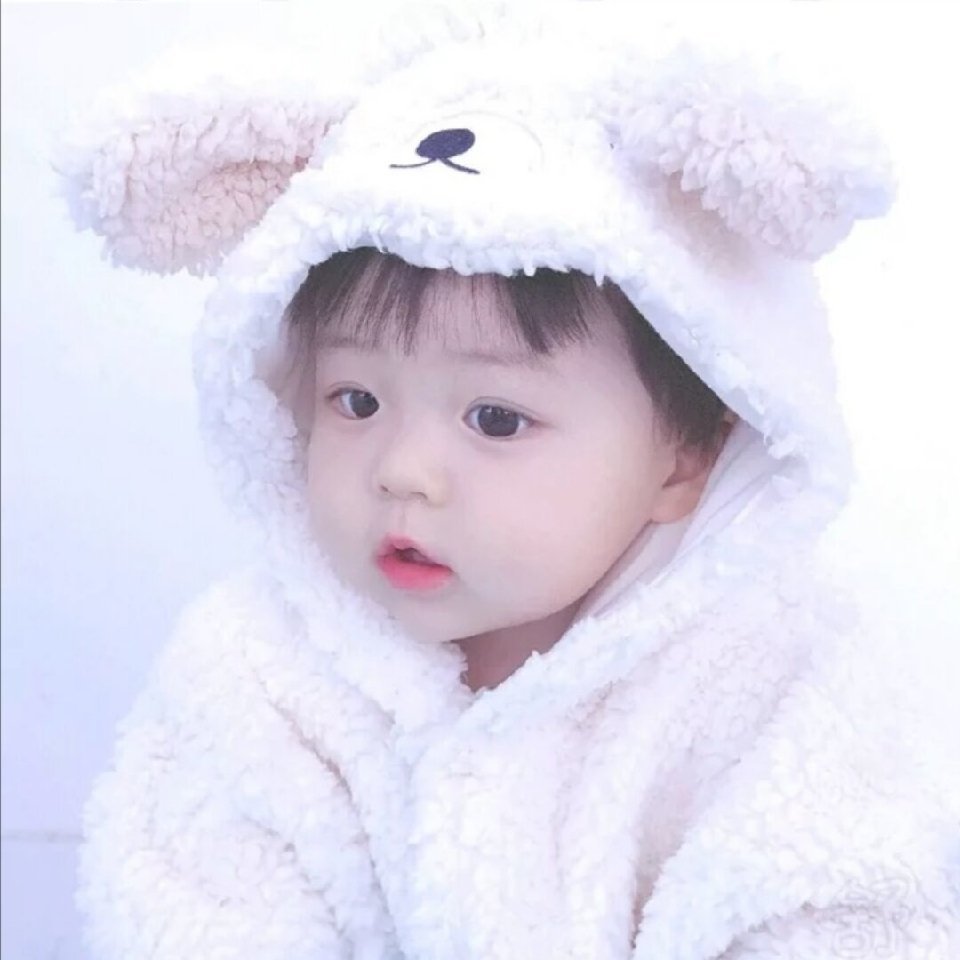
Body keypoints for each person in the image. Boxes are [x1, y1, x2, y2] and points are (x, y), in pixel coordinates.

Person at [56, 3, 959, 958]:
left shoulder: (783, 680)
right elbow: (192, 913)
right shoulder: (256, 672)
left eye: (495, 419)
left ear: (687, 452)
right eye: (356, 400)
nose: (402, 471)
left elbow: (846, 910)